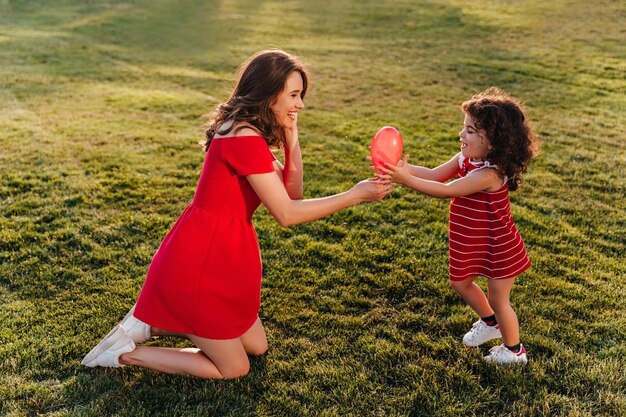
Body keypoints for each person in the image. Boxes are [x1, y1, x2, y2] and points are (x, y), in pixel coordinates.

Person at [81, 49, 392, 378]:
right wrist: (356, 195)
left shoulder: (247, 131)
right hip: (203, 260)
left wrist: (291, 135)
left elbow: (292, 190)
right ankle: (126, 354)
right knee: (234, 368)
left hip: (222, 252)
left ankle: (154, 323)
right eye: (294, 95)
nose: (300, 104)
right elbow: (286, 213)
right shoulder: (242, 137)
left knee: (257, 345)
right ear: (268, 93)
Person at [377, 87, 540, 364]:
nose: (461, 135)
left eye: (471, 131)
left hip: (499, 247)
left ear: (493, 142)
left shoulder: (489, 174)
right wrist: (399, 167)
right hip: (475, 240)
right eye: (464, 127)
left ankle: (515, 351)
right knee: (460, 282)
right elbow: (434, 175)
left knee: (499, 300)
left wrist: (405, 179)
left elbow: (448, 190)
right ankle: (490, 323)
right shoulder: (465, 158)